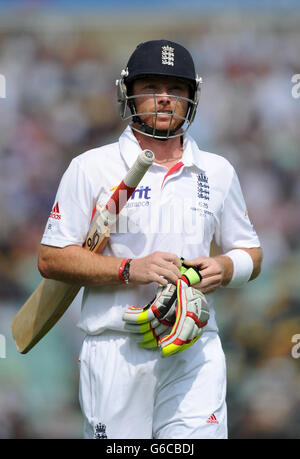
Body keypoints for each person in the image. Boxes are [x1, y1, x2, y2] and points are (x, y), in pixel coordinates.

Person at [38, 39, 262, 439]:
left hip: (194, 342)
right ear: (129, 94)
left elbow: (251, 253)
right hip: (116, 347)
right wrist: (129, 268)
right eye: (152, 88)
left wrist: (226, 267)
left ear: (192, 97)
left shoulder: (217, 170)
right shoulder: (90, 167)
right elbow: (52, 259)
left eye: (175, 90)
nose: (164, 99)